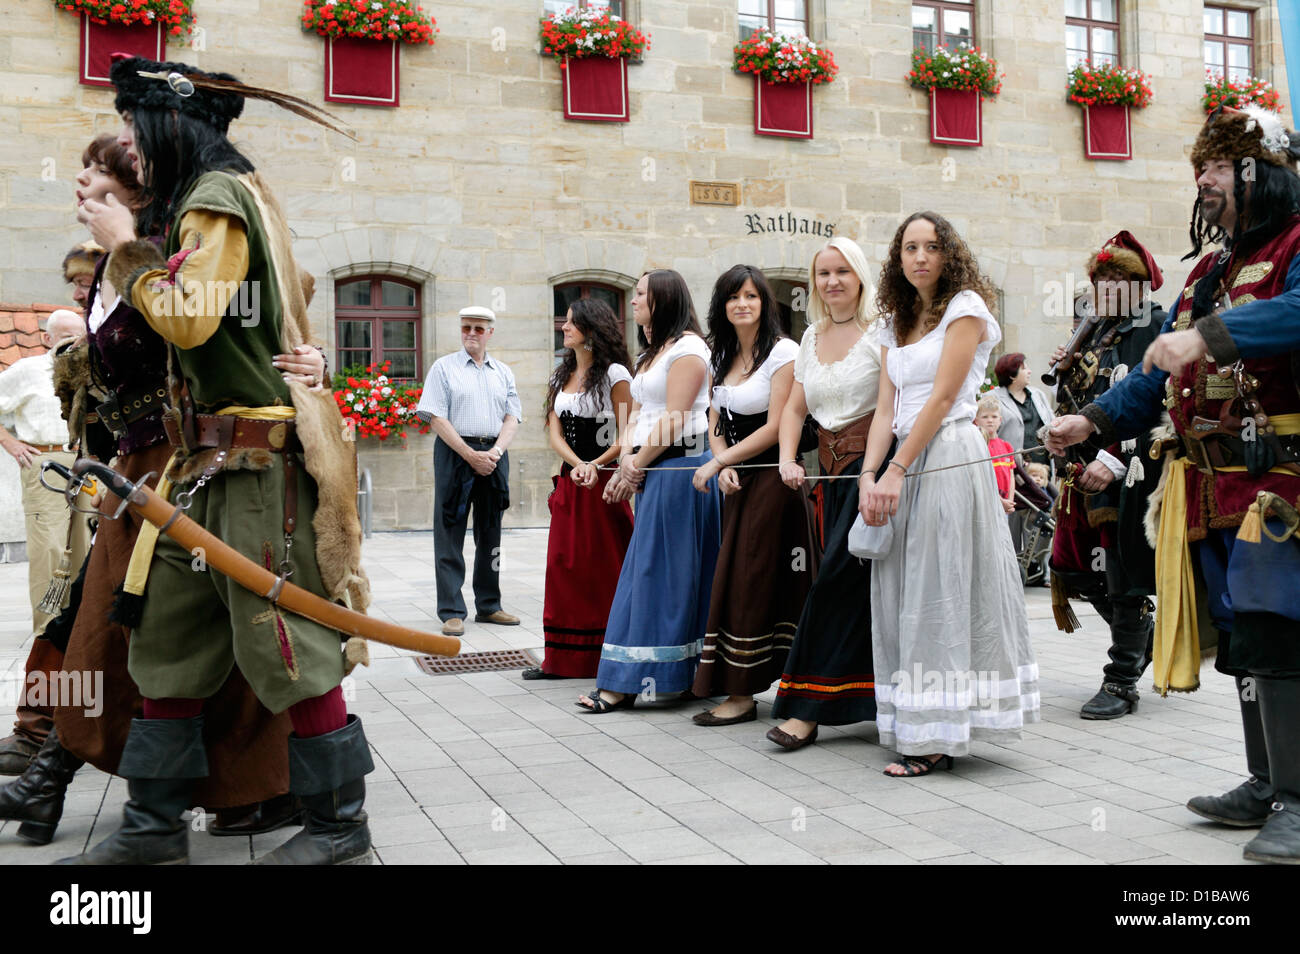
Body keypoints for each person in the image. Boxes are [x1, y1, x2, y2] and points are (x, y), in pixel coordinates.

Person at [70, 55, 373, 865]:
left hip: (253, 469)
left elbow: (194, 317)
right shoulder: (226, 195)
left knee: (290, 643)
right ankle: (152, 831)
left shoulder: (216, 198)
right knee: (167, 638)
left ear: (168, 126)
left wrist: (127, 249)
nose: (132, 145)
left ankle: (342, 831)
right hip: (201, 466)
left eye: (137, 129)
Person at [0, 132, 323, 847]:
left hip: (186, 465)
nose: (79, 189)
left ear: (135, 193)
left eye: (93, 179)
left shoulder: (181, 251)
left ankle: (232, 792)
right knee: (99, 627)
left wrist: (313, 360)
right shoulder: (113, 272)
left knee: (163, 634)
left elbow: (268, 315)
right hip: (132, 473)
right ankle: (59, 770)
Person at [1046, 106, 1300, 863]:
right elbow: (1157, 381)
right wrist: (1089, 421)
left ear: (1260, 173)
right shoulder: (1209, 273)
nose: (1205, 182)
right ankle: (1265, 780)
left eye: (1219, 168)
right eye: (1202, 169)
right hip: (1213, 492)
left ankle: (1296, 800)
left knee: (1282, 632)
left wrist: (1211, 335)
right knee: (1246, 640)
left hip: (1284, 486)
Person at [862, 211, 1040, 777]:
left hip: (947, 454)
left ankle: (936, 735)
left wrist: (897, 470)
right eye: (909, 247)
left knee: (939, 588)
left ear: (949, 254)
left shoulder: (965, 309)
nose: (920, 257)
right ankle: (915, 722)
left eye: (932, 247)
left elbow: (940, 399)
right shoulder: (894, 322)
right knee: (900, 590)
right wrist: (871, 474)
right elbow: (886, 409)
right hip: (902, 459)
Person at [577, 269, 721, 713]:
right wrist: (627, 462)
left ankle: (636, 680)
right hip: (653, 467)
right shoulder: (650, 355)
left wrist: (636, 464)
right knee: (653, 569)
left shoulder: (690, 349)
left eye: (640, 294)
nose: (633, 300)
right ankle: (663, 675)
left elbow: (677, 417)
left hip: (682, 469)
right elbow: (637, 416)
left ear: (662, 300)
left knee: (663, 573)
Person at [1046, 232, 1165, 720]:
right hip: (1081, 469)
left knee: (1123, 575)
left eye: (1116, 280)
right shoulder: (1093, 329)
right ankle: (1145, 641)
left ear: (1137, 285)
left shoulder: (1155, 324)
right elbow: (1078, 402)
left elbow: (1157, 399)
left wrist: (1113, 458)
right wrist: (1066, 371)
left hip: (1131, 465)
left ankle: (1121, 680)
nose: (1104, 289)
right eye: (1100, 281)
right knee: (1073, 569)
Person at [768, 236, 882, 749]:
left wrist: (874, 473)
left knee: (836, 585)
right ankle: (868, 700)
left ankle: (806, 706)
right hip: (829, 480)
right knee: (851, 589)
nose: (832, 281)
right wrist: (788, 458)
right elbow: (794, 408)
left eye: (842, 271)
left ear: (860, 276)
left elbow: (891, 409)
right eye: (822, 273)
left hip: (875, 476)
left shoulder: (884, 333)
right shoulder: (809, 337)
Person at [690, 265, 816, 725]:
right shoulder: (718, 354)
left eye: (751, 296)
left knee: (758, 582)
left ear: (765, 302)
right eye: (732, 297)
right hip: (738, 483)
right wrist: (720, 458)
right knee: (740, 580)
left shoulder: (784, 351)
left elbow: (777, 424)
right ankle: (742, 691)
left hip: (776, 482)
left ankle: (767, 692)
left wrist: (719, 462)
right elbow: (714, 417)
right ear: (721, 306)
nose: (742, 304)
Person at [0, 288, 93, 775]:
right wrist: (12, 444)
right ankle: (46, 631)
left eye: (79, 337)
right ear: (47, 337)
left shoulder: (86, 368)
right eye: (65, 338)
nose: (73, 345)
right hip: (42, 461)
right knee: (49, 551)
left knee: (81, 555)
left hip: (82, 461)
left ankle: (71, 628)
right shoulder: (26, 370)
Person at [527, 298, 634, 680]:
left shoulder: (616, 374)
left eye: (571, 323)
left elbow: (628, 433)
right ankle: (559, 660)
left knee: (602, 567)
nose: (564, 327)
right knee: (562, 566)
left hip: (606, 485)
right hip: (572, 479)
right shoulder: (562, 374)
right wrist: (576, 465)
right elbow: (554, 430)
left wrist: (596, 465)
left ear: (591, 328)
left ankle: (603, 656)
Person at [417, 306, 521, 638]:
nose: (471, 334)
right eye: (466, 328)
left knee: (491, 534)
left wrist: (494, 452)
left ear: (490, 332)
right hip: (455, 454)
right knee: (449, 529)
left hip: (493, 454)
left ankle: (489, 605)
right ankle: (451, 610)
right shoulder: (443, 368)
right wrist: (468, 454)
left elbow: (512, 417)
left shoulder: (503, 371)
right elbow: (434, 416)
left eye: (478, 329)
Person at [975, 393, 1017, 515]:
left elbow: (1011, 475)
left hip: (1005, 505)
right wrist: (999, 501)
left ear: (1000, 420)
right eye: (985, 417)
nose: (990, 420)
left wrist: (1010, 500)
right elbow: (982, 478)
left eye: (994, 416)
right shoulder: (980, 446)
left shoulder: (1007, 446)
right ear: (976, 420)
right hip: (988, 503)